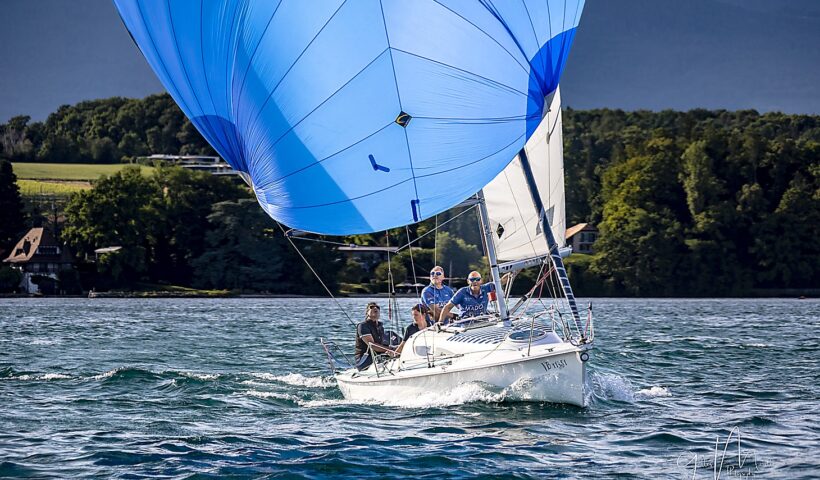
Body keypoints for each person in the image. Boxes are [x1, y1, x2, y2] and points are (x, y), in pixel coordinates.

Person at [354, 302, 395, 369]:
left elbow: (381, 344)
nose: (375, 308)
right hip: (365, 360)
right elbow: (372, 345)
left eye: (377, 307)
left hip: (378, 357)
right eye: (372, 307)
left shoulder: (380, 326)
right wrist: (391, 349)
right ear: (367, 312)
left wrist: (396, 348)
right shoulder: (363, 326)